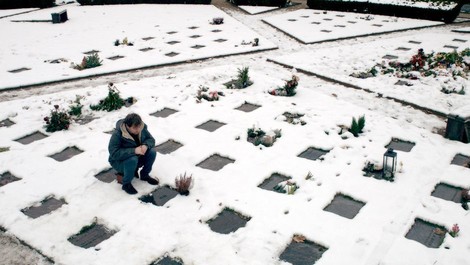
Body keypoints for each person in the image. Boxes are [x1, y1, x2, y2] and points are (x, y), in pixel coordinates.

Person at [108, 113, 159, 194]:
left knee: (152, 152)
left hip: (137, 157)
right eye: (135, 128)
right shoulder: (117, 134)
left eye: (139, 127)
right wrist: (134, 151)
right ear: (127, 126)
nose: (138, 130)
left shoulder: (142, 127)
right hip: (120, 162)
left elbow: (151, 140)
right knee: (132, 159)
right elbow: (114, 153)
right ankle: (126, 184)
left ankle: (145, 175)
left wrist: (145, 145)